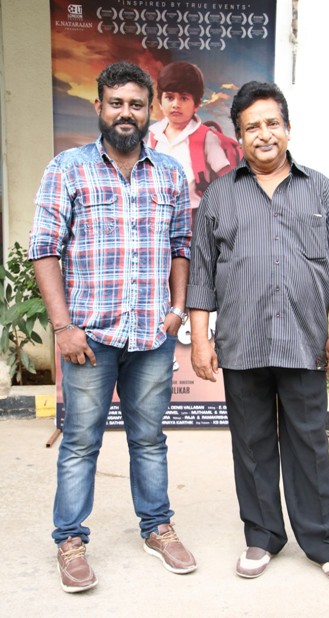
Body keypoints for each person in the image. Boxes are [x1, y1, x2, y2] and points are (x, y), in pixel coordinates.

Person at [28, 61, 196, 594]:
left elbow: (182, 247)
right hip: (89, 340)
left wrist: (176, 311)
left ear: (149, 111)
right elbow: (45, 249)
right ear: (98, 106)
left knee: (149, 439)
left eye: (136, 104)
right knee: (81, 442)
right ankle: (70, 540)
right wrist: (62, 327)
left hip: (151, 336)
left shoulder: (170, 174)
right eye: (117, 103)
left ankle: (157, 527)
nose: (127, 113)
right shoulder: (68, 168)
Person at [186, 81, 329, 587]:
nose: (263, 134)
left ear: (287, 128)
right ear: (239, 137)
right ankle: (262, 536)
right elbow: (201, 276)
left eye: (272, 123)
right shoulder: (220, 196)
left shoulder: (321, 191)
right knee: (252, 443)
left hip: (304, 343)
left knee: (310, 444)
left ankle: (323, 543)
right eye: (252, 127)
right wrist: (200, 340)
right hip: (242, 344)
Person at [148, 61, 240, 220]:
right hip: (159, 215)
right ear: (160, 102)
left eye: (184, 98)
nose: (176, 104)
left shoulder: (206, 137)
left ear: (196, 105)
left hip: (195, 215)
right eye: (169, 97)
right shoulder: (154, 136)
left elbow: (227, 180)